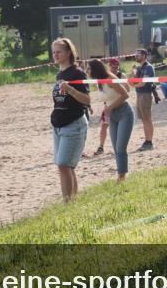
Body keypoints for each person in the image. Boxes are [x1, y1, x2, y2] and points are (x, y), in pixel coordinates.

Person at [50, 37, 90, 201]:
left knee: (64, 165)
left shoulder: (77, 73)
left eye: (59, 52)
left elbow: (87, 100)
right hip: (58, 125)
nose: (55, 55)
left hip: (74, 124)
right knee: (64, 166)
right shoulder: (60, 74)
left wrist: (71, 89)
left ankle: (68, 202)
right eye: (53, 52)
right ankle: (71, 200)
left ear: (68, 52)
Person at [87, 59, 133, 180]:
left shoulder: (109, 78)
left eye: (89, 68)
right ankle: (121, 175)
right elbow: (108, 98)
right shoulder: (99, 81)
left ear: (95, 69)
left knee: (120, 148)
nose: (87, 71)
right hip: (112, 115)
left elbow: (125, 95)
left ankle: (122, 177)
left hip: (124, 113)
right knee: (115, 148)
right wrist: (107, 108)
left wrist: (109, 108)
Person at [132, 49, 157, 151]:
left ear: (144, 56)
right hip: (139, 94)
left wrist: (132, 84)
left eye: (138, 55)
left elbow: (143, 83)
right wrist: (133, 74)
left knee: (147, 118)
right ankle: (147, 140)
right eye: (135, 55)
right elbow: (136, 81)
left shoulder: (148, 67)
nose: (136, 57)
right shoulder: (139, 68)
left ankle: (149, 141)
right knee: (143, 119)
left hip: (145, 94)